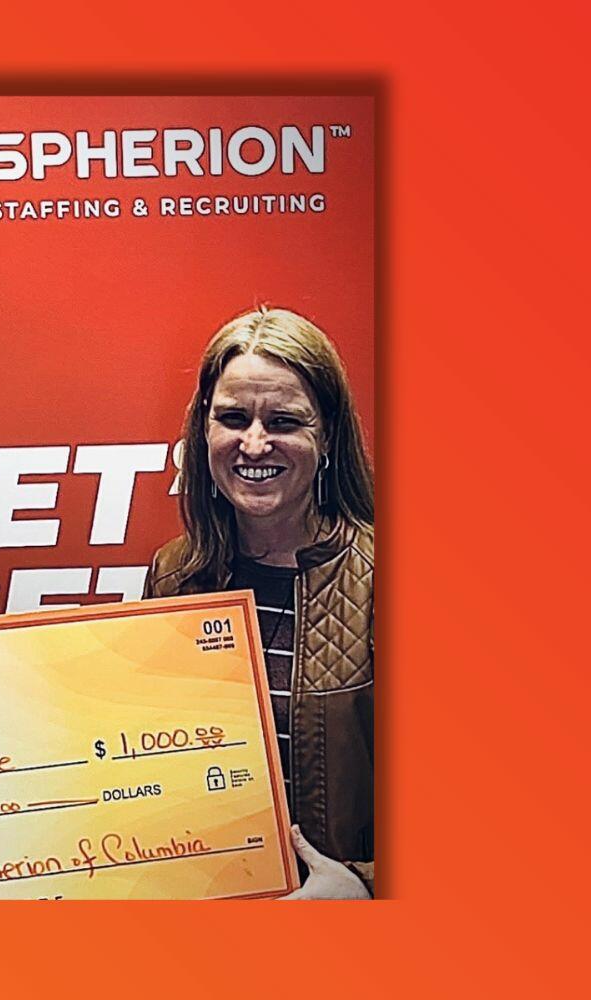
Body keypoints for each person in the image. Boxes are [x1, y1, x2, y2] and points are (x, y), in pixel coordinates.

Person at [146, 306, 376, 900]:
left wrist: (366, 889)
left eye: (284, 420)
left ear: (326, 436)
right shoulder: (174, 575)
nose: (254, 443)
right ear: (203, 431)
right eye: (232, 418)